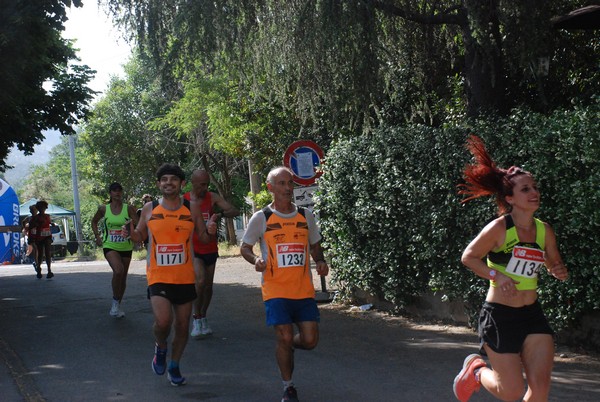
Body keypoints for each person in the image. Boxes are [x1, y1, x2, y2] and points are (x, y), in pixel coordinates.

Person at [453, 135, 569, 402]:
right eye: (525, 189)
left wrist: (557, 270)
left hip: (532, 315)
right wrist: (497, 275)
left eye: (534, 187)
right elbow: (468, 257)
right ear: (510, 198)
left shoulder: (544, 230)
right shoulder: (499, 229)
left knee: (540, 390)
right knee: (511, 391)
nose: (534, 193)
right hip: (500, 316)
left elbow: (553, 263)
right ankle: (477, 371)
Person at [240, 166, 329, 402]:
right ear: (270, 187)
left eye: (290, 183)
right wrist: (256, 260)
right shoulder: (262, 218)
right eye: (281, 184)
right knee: (285, 336)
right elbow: (245, 247)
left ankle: (286, 345)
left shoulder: (304, 216)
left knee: (310, 340)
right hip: (275, 290)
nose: (288, 188)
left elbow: (314, 244)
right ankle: (288, 386)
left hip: (302, 290)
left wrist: (319, 260)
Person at [126, 163, 217, 387]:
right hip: (158, 275)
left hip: (185, 277)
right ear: (158, 184)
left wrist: (211, 231)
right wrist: (131, 232)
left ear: (182, 183)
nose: (169, 183)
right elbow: (139, 236)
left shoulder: (192, 208)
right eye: (164, 179)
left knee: (183, 326)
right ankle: (161, 347)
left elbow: (203, 239)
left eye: (173, 179)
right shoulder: (149, 209)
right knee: (163, 321)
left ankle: (175, 365)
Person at [183, 169, 239, 338]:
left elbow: (234, 211)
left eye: (207, 184)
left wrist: (219, 214)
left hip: (210, 247)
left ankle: (203, 316)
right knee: (199, 282)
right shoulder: (184, 200)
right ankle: (196, 317)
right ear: (193, 183)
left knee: (208, 286)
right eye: (202, 184)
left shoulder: (212, 197)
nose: (205, 187)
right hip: (193, 248)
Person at [91, 182, 138, 318]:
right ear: (110, 193)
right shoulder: (103, 209)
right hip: (109, 245)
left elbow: (138, 222)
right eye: (114, 191)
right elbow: (94, 222)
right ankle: (115, 302)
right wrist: (97, 236)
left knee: (122, 277)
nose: (117, 193)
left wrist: (131, 225)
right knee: (118, 270)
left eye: (119, 190)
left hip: (126, 246)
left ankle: (116, 304)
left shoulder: (128, 208)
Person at [29, 200, 54, 279]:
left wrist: (51, 223)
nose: (42, 209)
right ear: (38, 208)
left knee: (47, 253)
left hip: (47, 236)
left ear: (45, 208)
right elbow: (30, 226)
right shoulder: (35, 218)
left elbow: (48, 222)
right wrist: (36, 224)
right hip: (39, 237)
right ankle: (39, 269)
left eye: (43, 207)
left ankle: (49, 270)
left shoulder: (47, 216)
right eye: (40, 208)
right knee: (40, 254)